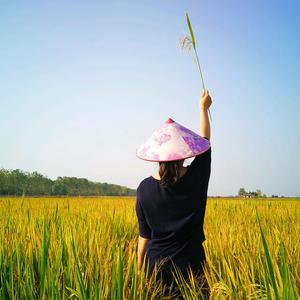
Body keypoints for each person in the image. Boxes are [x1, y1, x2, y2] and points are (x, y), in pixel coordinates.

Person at [135, 90, 212, 295]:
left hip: (156, 270)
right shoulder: (198, 177)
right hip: (192, 268)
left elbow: (144, 237)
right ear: (183, 153)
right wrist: (203, 109)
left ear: (158, 156)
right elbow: (205, 141)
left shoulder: (143, 189)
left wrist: (138, 273)